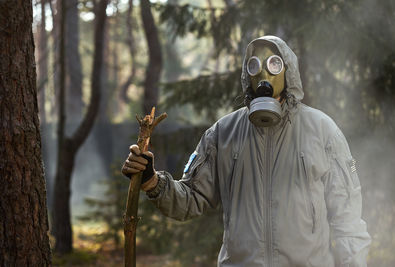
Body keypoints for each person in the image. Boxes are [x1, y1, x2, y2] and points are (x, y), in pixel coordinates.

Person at [122, 35, 371, 267]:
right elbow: (191, 198)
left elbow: (348, 222)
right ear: (246, 74)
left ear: (288, 70)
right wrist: (151, 181)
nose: (264, 73)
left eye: (274, 64)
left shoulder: (322, 131)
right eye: (254, 65)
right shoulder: (223, 133)